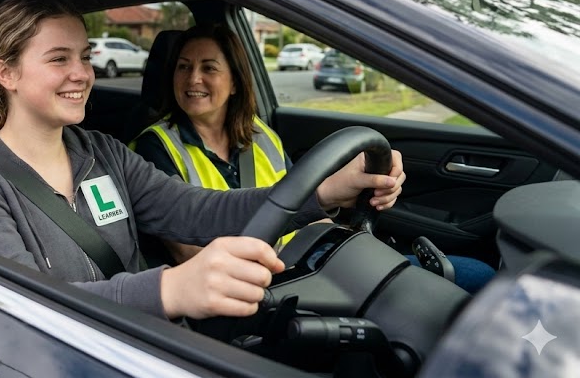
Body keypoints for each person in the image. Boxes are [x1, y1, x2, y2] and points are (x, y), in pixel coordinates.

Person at [0, 0, 403, 322]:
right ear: (7, 72)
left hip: (148, 337)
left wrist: (321, 192)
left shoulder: (102, 152)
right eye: (59, 59)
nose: (82, 73)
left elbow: (199, 211)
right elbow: (20, 306)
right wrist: (171, 289)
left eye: (85, 55)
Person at [132, 24, 494, 293]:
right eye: (183, 66)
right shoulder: (154, 147)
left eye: (208, 67)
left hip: (312, 266)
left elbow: (302, 213)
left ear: (236, 81)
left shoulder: (261, 135)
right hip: (264, 287)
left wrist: (347, 245)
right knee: (472, 284)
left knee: (475, 277)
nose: (193, 78)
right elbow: (188, 254)